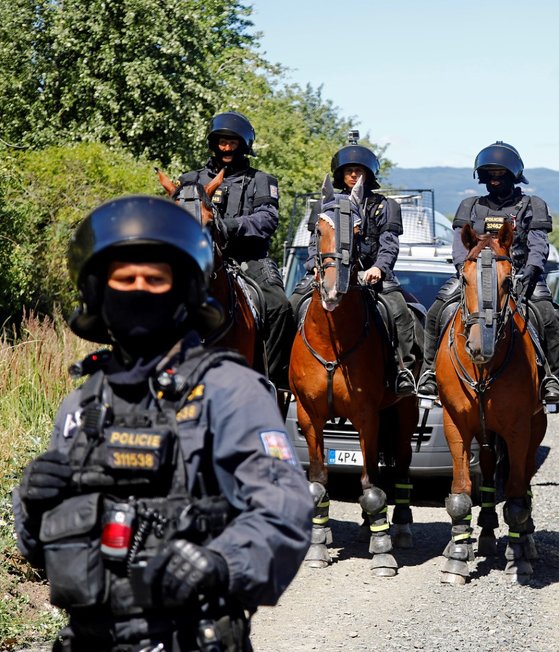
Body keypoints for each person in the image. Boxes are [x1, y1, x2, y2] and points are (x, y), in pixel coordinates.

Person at [12, 196, 312, 651]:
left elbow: (284, 510)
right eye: (123, 278)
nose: (137, 290)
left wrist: (220, 562)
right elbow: (44, 549)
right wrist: (32, 510)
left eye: (154, 279)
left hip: (189, 637)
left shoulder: (230, 390)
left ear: (185, 291)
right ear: (97, 291)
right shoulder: (82, 402)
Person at [415, 141, 559, 405]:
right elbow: (459, 245)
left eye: (501, 175)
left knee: (549, 315)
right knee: (437, 311)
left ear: (513, 175)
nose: (495, 181)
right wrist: (465, 271)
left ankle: (552, 378)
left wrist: (530, 272)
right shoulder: (470, 206)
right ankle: (428, 372)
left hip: (518, 276)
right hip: (474, 276)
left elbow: (539, 244)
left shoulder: (533, 204)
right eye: (491, 175)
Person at [290, 130, 418, 396]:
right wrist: (315, 265)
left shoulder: (386, 206)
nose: (353, 175)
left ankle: (403, 371)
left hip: (370, 276)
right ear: (340, 175)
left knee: (401, 312)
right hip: (328, 273)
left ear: (368, 174)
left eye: (358, 171)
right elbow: (316, 242)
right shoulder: (324, 205)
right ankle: (283, 367)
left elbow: (389, 243)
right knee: (291, 305)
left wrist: (378, 269)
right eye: (348, 170)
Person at [179, 111, 296, 390]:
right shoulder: (190, 179)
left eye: (233, 142)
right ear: (213, 143)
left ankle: (275, 377)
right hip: (199, 259)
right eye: (221, 142)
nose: (227, 148)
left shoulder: (261, 180)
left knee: (280, 306)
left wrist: (227, 226)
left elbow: (267, 219)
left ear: (244, 145)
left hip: (249, 258)